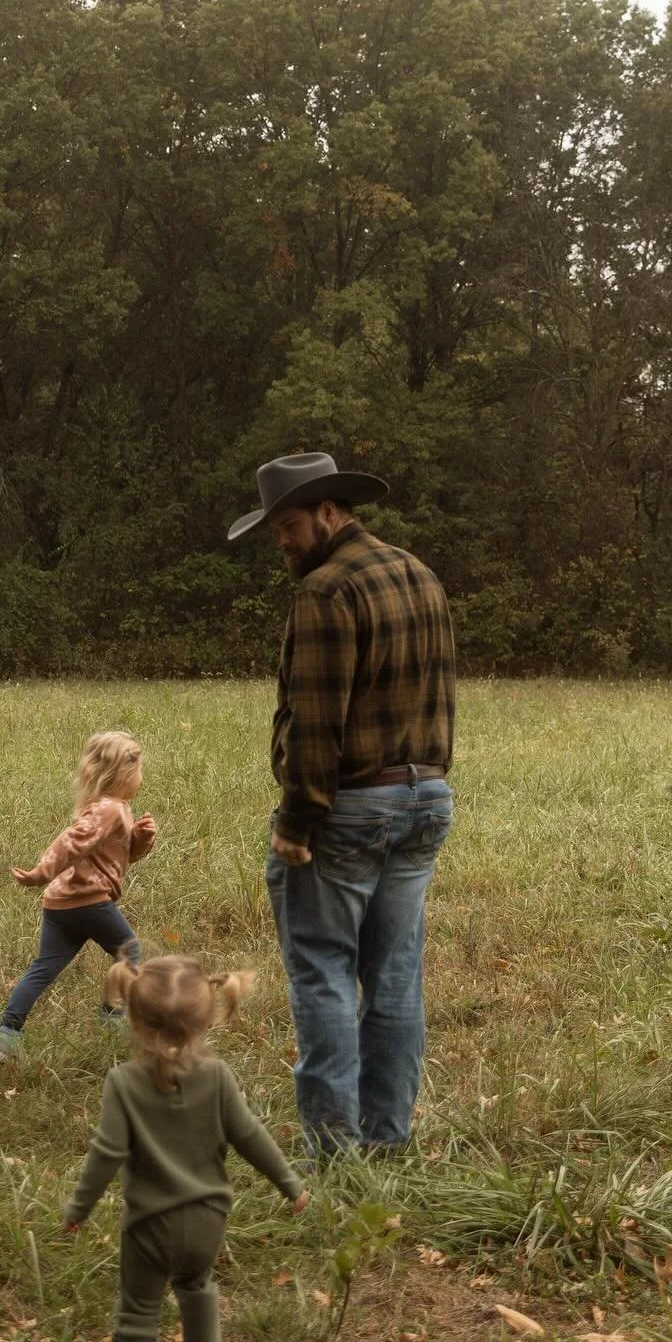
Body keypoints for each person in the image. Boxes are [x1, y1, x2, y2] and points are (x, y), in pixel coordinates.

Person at [228, 451, 455, 1158]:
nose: (284, 543)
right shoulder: (419, 572)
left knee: (322, 970)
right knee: (393, 977)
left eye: (290, 526)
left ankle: (333, 1150)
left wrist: (298, 823)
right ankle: (389, 1140)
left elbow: (317, 723)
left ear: (329, 512)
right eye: (275, 532)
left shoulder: (326, 591)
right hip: (427, 796)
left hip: (351, 805)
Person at [62, 955, 309, 1342]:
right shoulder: (217, 1076)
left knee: (139, 1313)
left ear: (134, 1019)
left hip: (149, 1226)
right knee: (197, 1288)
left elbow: (107, 1152)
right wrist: (290, 1184)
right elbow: (249, 1135)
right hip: (207, 1221)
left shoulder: (123, 1082)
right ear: (205, 1020)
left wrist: (79, 1209)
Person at [0, 731, 156, 1064]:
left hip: (60, 903)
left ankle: (6, 1034)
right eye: (137, 771)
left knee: (43, 968)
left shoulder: (113, 808)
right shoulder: (110, 809)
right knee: (129, 949)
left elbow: (120, 857)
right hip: (88, 900)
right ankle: (111, 1013)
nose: (140, 778)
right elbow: (71, 841)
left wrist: (140, 839)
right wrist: (42, 871)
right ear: (123, 774)